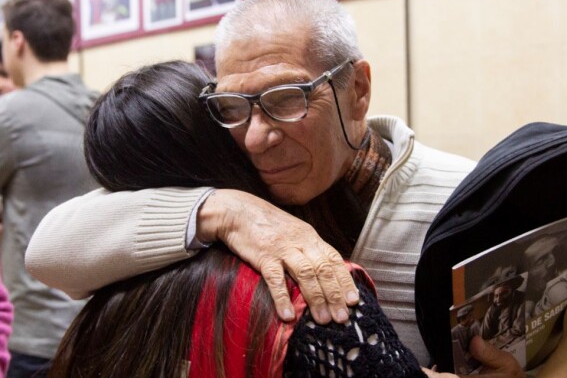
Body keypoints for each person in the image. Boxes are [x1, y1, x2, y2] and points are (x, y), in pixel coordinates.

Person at [25, 0, 567, 374]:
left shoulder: (466, 198)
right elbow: (50, 248)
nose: (255, 137)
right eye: (233, 106)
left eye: (286, 100)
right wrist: (229, 211)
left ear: (358, 91)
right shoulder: (241, 186)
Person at [48, 59, 428, 378]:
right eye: (232, 111)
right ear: (219, 141)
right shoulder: (314, 290)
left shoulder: (102, 300)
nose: (258, 135)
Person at [0, 0, 98, 376]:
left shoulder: (9, 115)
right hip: (105, 328)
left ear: (17, 40)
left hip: (40, 339)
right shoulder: (107, 106)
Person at [480, 276, 526, 347]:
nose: (498, 299)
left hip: (511, 342)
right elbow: (484, 334)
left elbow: (518, 330)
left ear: (512, 292)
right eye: (496, 296)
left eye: (504, 294)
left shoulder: (521, 301)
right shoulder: (492, 309)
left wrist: (492, 343)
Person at [451, 304, 481, 373]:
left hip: (474, 358)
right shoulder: (453, 332)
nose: (472, 318)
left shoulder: (473, 326)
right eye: (470, 316)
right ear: (462, 319)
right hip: (464, 362)